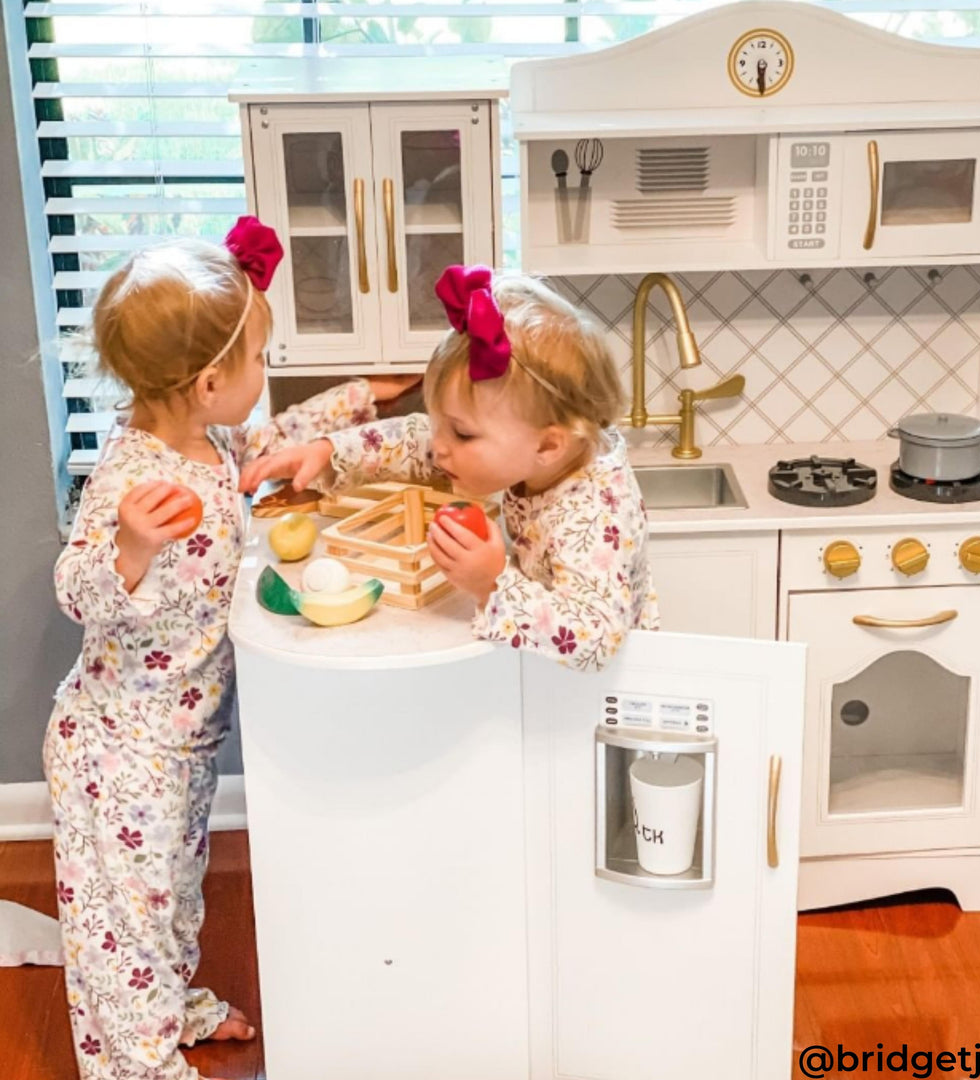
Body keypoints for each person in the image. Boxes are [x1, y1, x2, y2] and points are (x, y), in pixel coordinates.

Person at [45, 217, 417, 1080]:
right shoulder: (135, 478)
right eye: (258, 360)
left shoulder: (208, 443)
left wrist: (365, 394)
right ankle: (137, 1063)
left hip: (179, 745)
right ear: (211, 381)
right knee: (123, 924)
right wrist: (128, 550)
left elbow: (274, 435)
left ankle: (168, 1008)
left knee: (171, 900)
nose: (266, 374)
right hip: (118, 752)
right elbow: (74, 589)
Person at [240, 264, 660, 670]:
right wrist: (328, 451)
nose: (439, 447)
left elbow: (596, 639)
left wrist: (492, 584)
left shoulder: (592, 513)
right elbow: (413, 440)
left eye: (460, 434)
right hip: (541, 666)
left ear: (548, 444)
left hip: (603, 695)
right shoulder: (540, 454)